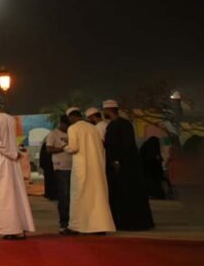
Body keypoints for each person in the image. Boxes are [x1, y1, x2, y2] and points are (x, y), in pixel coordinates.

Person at [0, 95, 35, 240]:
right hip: (12, 162)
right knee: (16, 194)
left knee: (4, 197)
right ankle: (20, 227)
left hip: (2, 161)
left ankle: (11, 229)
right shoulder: (10, 119)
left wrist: (11, 153)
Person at [102, 100, 154, 230]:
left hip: (124, 167)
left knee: (125, 194)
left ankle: (128, 222)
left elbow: (123, 145)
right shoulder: (122, 124)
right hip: (126, 165)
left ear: (108, 110)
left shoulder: (119, 125)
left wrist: (117, 160)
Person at [62, 108, 115, 235]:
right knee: (97, 196)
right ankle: (99, 227)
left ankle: (75, 226)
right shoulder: (93, 128)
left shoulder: (73, 128)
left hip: (81, 168)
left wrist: (65, 147)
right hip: (96, 167)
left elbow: (74, 148)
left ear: (70, 117)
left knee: (78, 196)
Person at [45, 114, 73, 232]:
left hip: (73, 167)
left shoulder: (72, 132)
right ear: (61, 123)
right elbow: (49, 149)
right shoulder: (53, 134)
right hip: (61, 168)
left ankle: (74, 221)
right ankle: (64, 222)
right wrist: (64, 148)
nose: (67, 127)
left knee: (74, 196)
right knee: (64, 196)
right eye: (66, 125)